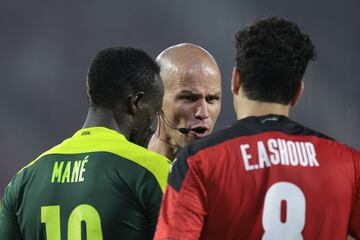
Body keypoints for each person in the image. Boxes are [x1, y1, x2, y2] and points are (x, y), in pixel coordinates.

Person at [154, 16, 360, 239]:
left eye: (212, 98)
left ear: (235, 81)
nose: (203, 111)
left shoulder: (200, 162)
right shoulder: (349, 163)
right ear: (298, 93)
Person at [0, 47, 170, 240]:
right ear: (136, 102)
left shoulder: (23, 181)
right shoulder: (151, 171)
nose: (152, 125)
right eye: (154, 112)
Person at [147, 43, 222, 160]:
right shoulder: (125, 163)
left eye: (211, 99)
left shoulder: (228, 172)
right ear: (156, 100)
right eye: (189, 98)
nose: (203, 113)